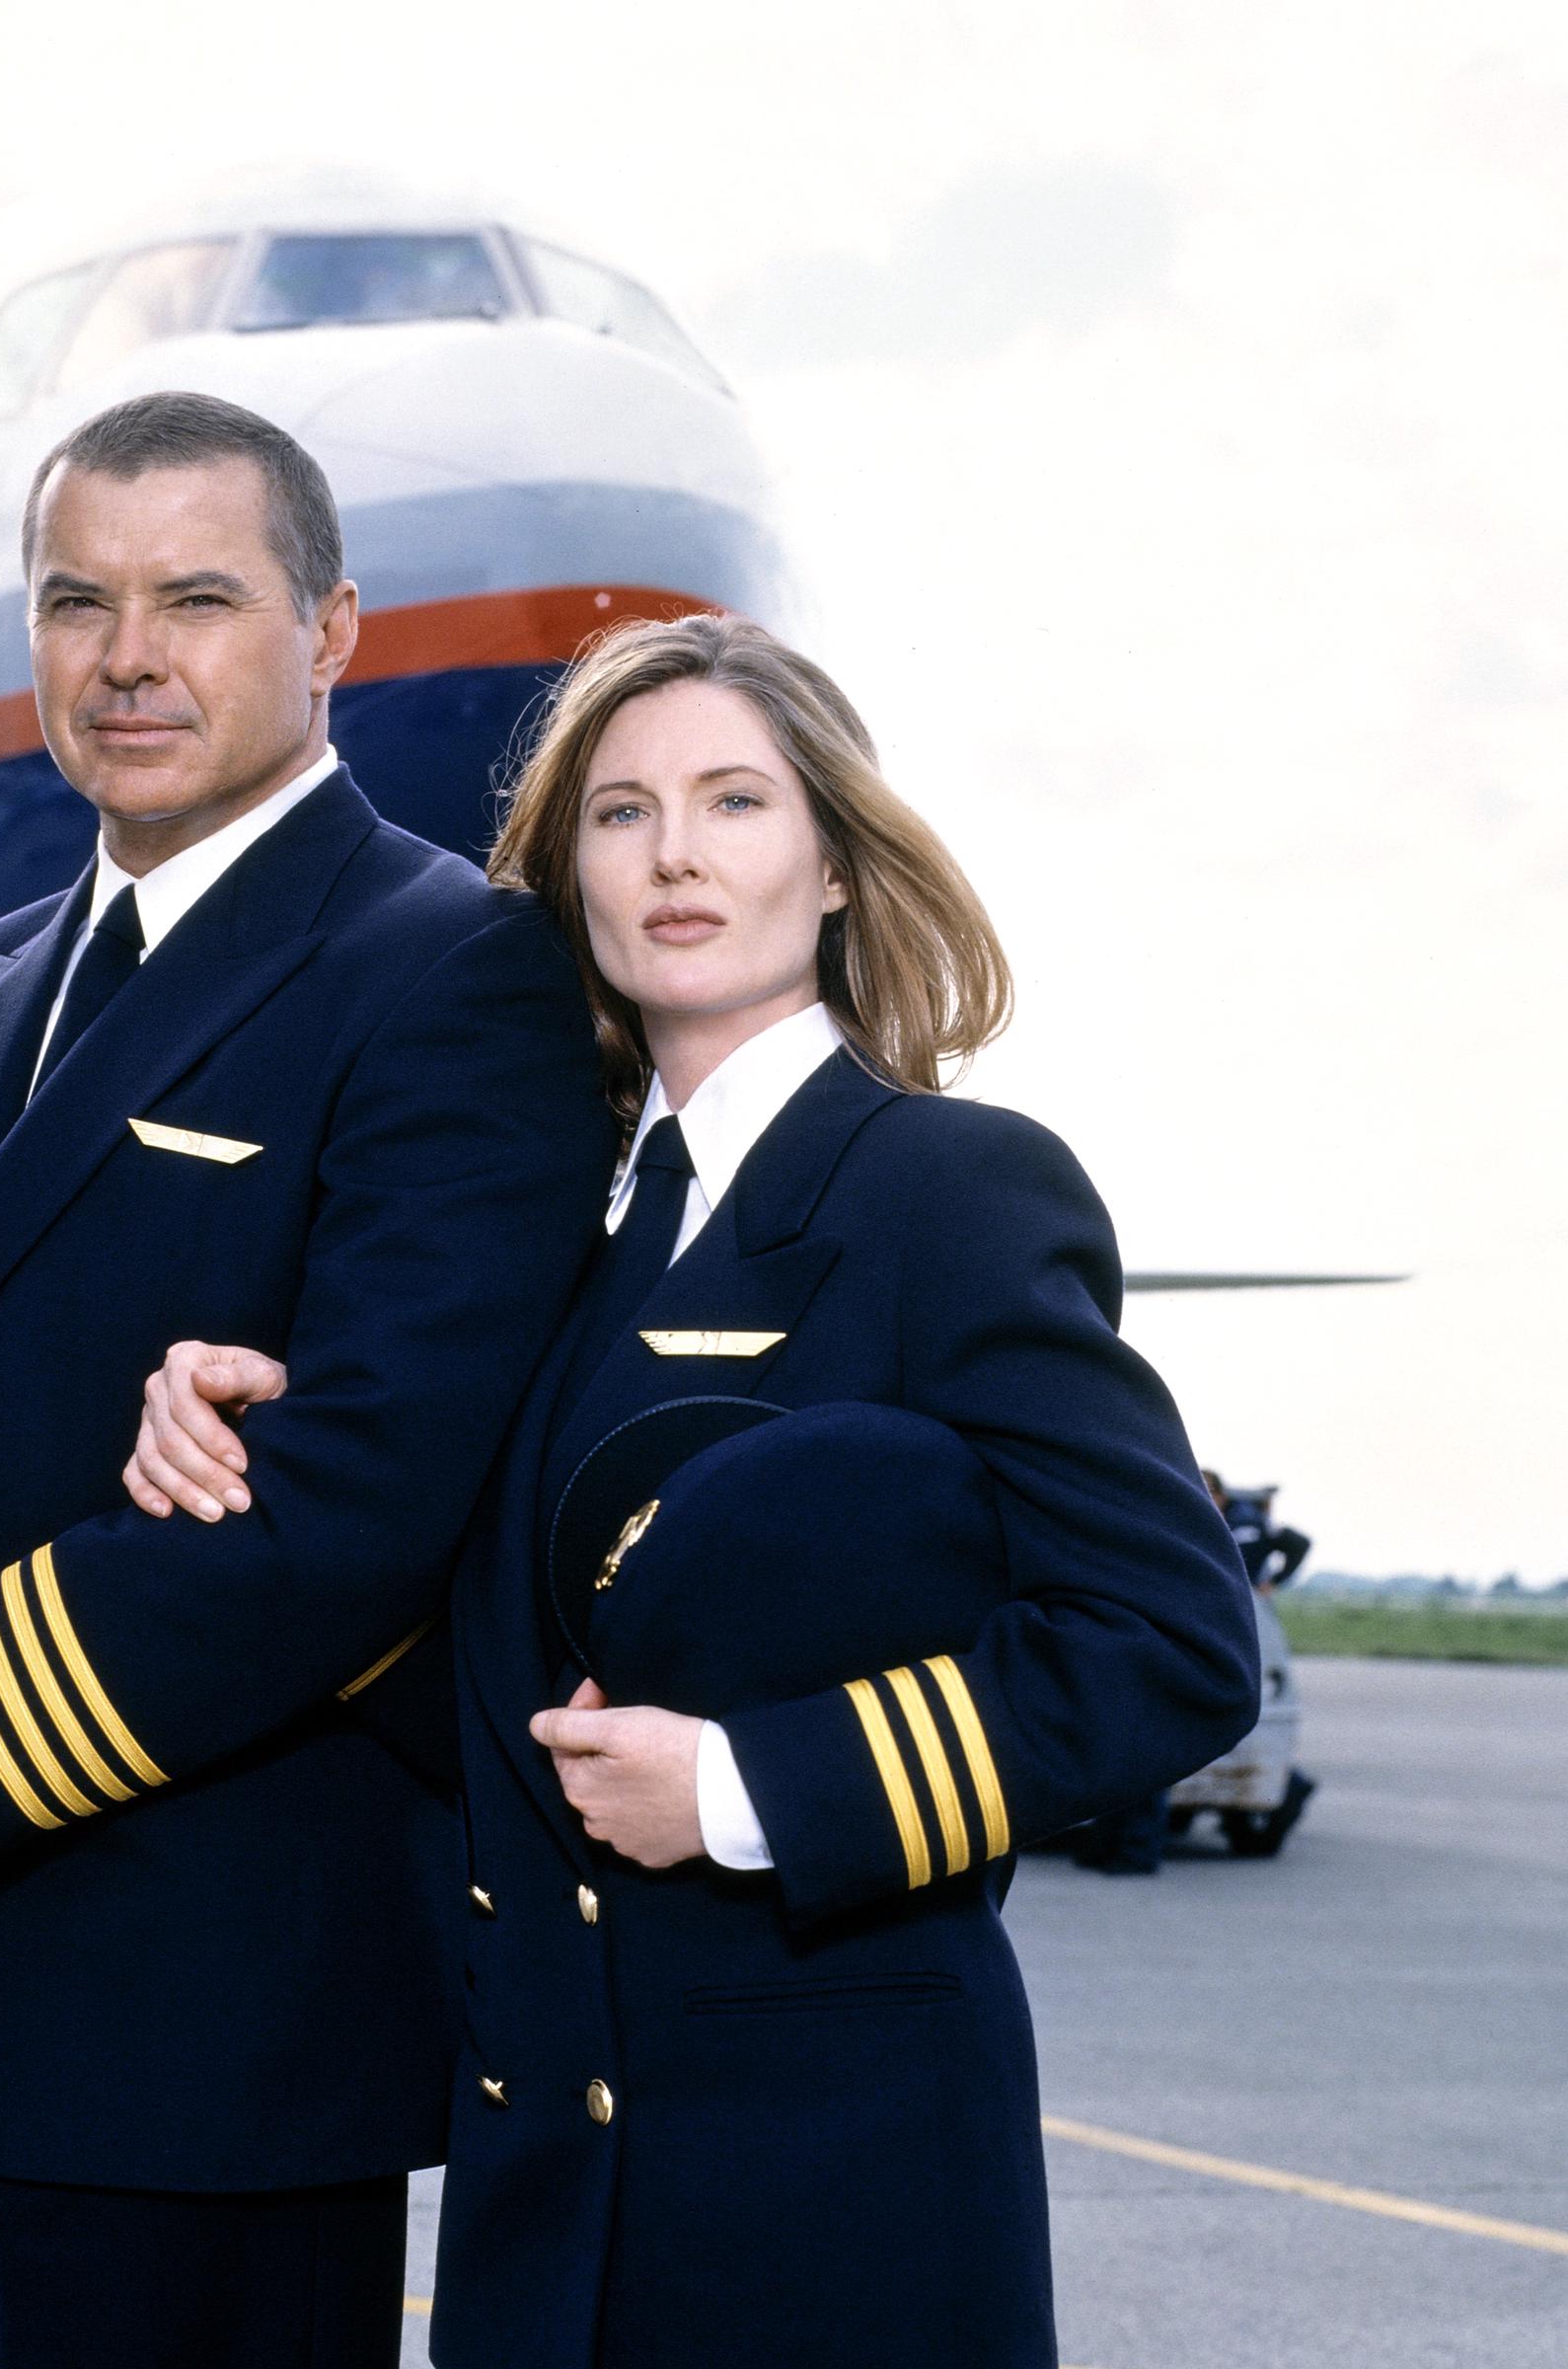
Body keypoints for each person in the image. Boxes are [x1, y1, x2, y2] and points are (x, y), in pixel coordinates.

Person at [124, 614, 1262, 2368]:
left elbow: (1169, 1647)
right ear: (562, 871)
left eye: (733, 801)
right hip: (542, 2198)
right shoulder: (544, 1248)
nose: (671, 853)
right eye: (620, 810)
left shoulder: (944, 1192)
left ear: (829, 859)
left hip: (837, 2180)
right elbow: (494, 1685)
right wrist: (269, 1461)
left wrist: (744, 1787)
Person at [0, 392, 613, 2369]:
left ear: (333, 629)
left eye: (196, 598)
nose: (126, 656)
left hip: (178, 2058)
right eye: (75, 600)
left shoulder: (456, 975)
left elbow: (348, 1506)